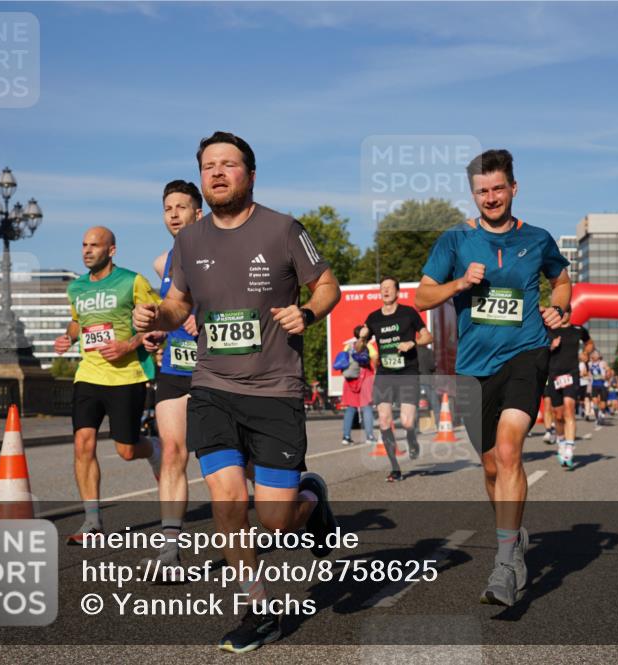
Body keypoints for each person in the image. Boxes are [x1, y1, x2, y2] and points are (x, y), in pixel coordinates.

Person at [133, 131, 341, 653]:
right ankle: (256, 608)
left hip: (275, 390)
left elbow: (328, 284)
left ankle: (310, 503)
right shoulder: (190, 240)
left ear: (250, 173)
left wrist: (309, 312)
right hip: (213, 388)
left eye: (229, 164)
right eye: (209, 166)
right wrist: (158, 314)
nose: (218, 173)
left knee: (273, 521)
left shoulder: (284, 229)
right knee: (227, 500)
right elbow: (179, 304)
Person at [416, 148, 571, 607]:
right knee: (490, 466)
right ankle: (513, 536)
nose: (490, 197)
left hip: (527, 353)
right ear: (473, 194)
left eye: (498, 188)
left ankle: (505, 564)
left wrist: (559, 308)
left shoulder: (538, 239)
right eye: (482, 191)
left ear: (513, 189)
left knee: (508, 449)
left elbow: (561, 279)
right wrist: (459, 283)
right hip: (473, 366)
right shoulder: (455, 241)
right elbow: (424, 295)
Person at [53, 226, 162, 544]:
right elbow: (78, 321)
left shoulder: (133, 281)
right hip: (89, 374)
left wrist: (128, 346)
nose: (87, 250)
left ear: (111, 250)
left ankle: (153, 448)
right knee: (82, 444)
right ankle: (92, 521)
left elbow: (158, 321)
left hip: (127, 376)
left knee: (127, 450)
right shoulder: (76, 288)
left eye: (94, 245)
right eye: (84, 245)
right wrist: (68, 337)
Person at [138, 180, 202, 567]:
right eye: (167, 208)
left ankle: (302, 499)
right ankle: (169, 550)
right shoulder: (164, 261)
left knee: (231, 461)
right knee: (173, 452)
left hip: (218, 370)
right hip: (176, 367)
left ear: (199, 212)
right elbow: (171, 310)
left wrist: (207, 318)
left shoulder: (221, 250)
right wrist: (156, 331)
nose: (174, 214)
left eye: (182, 206)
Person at [362, 276, 432, 482]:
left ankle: (412, 440)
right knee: (384, 419)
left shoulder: (409, 313)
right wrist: (361, 338)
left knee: (408, 422)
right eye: (382, 288)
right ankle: (395, 468)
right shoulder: (373, 318)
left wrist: (412, 343)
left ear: (397, 292)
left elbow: (428, 337)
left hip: (407, 372)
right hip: (384, 373)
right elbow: (359, 347)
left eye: (389, 288)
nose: (385, 291)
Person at [546, 318, 591, 470]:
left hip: (571, 374)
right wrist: (551, 346)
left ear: (569, 313)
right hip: (553, 375)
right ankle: (561, 441)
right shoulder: (550, 329)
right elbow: (538, 348)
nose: (562, 314)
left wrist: (586, 352)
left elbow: (590, 343)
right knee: (558, 415)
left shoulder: (578, 330)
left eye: (565, 311)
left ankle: (570, 449)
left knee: (569, 409)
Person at [339, 325, 377, 446]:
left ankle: (346, 436)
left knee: (351, 408)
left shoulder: (348, 346)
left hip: (350, 379)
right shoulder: (367, 345)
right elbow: (375, 357)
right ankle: (370, 436)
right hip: (365, 376)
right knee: (366, 407)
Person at [588, 350, 609, 425]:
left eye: (596, 354)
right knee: (595, 403)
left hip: (602, 385)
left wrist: (606, 375)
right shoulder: (590, 364)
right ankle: (597, 418)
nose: (594, 355)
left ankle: (602, 413)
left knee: (602, 404)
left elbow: (608, 370)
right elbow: (589, 374)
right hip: (594, 385)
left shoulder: (603, 363)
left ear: (599, 356)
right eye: (593, 354)